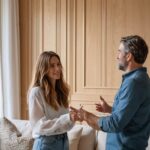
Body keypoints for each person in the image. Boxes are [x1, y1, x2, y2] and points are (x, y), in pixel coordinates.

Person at [70, 35, 150, 150]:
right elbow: (131, 115)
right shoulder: (140, 79)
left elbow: (115, 123)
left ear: (128, 56)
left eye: (119, 52)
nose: (117, 56)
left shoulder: (134, 82)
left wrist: (86, 115)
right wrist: (110, 109)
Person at [28, 51, 75, 150]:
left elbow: (65, 126)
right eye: (52, 66)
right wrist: (67, 118)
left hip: (64, 141)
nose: (57, 69)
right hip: (46, 144)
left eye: (58, 65)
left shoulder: (62, 92)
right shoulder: (37, 92)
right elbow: (39, 126)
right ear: (43, 68)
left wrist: (73, 118)